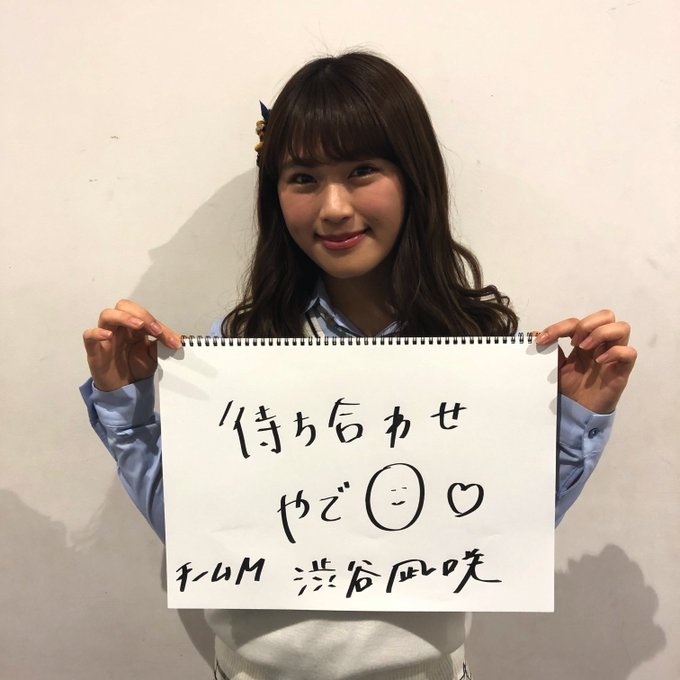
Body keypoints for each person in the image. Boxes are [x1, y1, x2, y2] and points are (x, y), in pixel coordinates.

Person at [81, 52, 636, 680]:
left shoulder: (480, 349)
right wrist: (128, 406)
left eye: (362, 170)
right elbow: (199, 536)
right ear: (275, 193)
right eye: (303, 177)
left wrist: (577, 416)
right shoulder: (241, 345)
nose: (335, 207)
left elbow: (502, 533)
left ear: (413, 174)